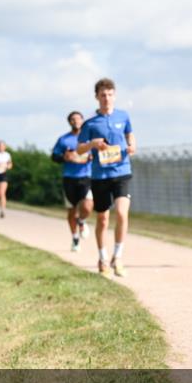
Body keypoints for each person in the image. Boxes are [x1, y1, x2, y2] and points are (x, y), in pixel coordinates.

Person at [76, 78, 135, 279]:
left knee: (121, 213)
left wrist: (132, 145)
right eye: (103, 95)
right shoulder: (90, 123)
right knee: (102, 218)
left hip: (122, 171)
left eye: (110, 94)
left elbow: (130, 135)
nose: (106, 98)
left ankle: (117, 257)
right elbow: (79, 148)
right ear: (97, 97)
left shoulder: (123, 116)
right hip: (100, 175)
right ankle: (102, 257)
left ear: (114, 95)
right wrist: (92, 143)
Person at [52, 111, 93, 251]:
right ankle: (75, 238)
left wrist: (92, 158)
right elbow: (54, 156)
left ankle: (81, 221)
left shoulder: (89, 138)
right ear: (69, 122)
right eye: (73, 119)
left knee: (87, 206)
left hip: (86, 176)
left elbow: (98, 153)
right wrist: (64, 157)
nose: (76, 121)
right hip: (69, 178)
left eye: (78, 119)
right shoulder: (64, 139)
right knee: (72, 210)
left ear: (82, 121)